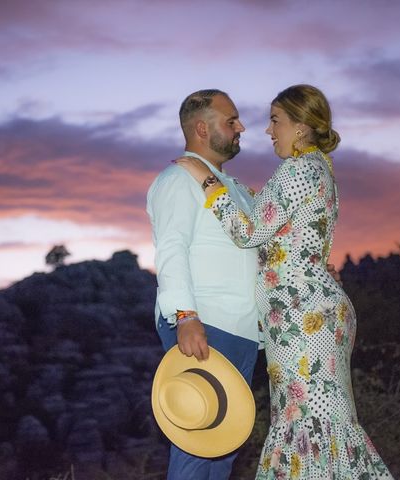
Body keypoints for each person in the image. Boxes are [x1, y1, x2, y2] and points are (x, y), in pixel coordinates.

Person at [176, 85, 393, 479]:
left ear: (301, 125)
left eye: (276, 120)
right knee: (321, 424)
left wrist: (205, 179)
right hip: (310, 311)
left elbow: (248, 231)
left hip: (301, 317)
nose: (267, 130)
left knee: (306, 424)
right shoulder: (319, 168)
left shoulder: (297, 170)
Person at [146, 89, 261, 480]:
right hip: (205, 324)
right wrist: (185, 315)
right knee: (197, 444)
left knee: (223, 445)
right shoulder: (179, 179)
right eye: (231, 121)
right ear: (200, 128)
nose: (241, 127)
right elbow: (171, 250)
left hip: (242, 330)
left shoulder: (233, 189)